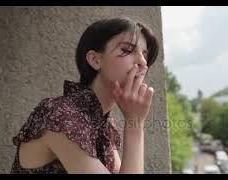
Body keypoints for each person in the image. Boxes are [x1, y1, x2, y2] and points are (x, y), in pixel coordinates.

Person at [10, 17, 159, 174]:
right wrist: (134, 123)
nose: (143, 62)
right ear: (95, 60)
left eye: (145, 54)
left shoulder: (104, 124)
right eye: (127, 50)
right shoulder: (60, 115)